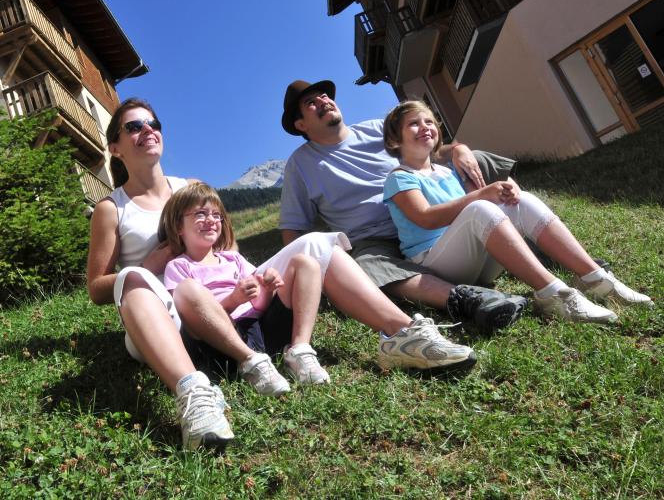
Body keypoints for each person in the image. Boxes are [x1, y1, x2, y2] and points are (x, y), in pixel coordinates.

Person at [87, 99, 481, 448]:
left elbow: (228, 251)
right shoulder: (113, 208)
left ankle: (400, 334)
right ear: (115, 147)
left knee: (316, 245)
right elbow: (99, 288)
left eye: (153, 123)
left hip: (224, 296)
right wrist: (154, 265)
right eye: (134, 126)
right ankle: (193, 394)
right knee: (136, 284)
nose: (148, 131)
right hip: (166, 317)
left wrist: (254, 283)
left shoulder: (191, 187)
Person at [279, 79, 531, 334]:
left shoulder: (376, 129)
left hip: (423, 206)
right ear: (301, 124)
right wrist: (303, 277)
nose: (323, 101)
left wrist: (458, 149)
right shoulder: (300, 166)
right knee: (365, 266)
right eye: (311, 103)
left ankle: (525, 230)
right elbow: (293, 229)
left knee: (474, 160)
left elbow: (426, 151)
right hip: (374, 238)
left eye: (324, 96)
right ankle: (468, 298)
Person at [380, 100, 651, 322]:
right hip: (435, 263)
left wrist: (503, 196)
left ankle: (597, 280)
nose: (424, 127)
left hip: (476, 264)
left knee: (522, 201)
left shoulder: (445, 171)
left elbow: (469, 213)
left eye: (428, 121)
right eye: (413, 124)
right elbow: (426, 218)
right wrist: (481, 195)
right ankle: (554, 295)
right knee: (479, 208)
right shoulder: (399, 177)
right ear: (394, 140)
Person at [161, 182, 329, 396]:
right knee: (187, 290)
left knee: (305, 263)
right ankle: (250, 362)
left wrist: (267, 290)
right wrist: (233, 300)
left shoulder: (233, 259)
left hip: (260, 329)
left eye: (216, 214)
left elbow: (257, 306)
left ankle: (300, 350)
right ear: (178, 226)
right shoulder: (179, 266)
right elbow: (190, 317)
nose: (211, 220)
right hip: (223, 342)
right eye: (201, 213)